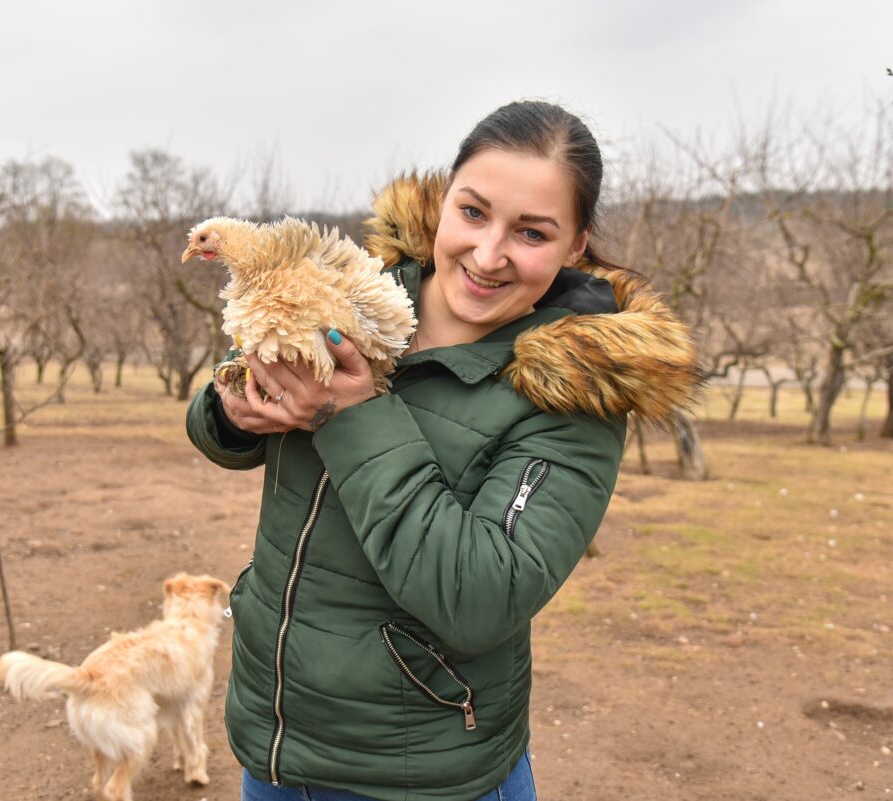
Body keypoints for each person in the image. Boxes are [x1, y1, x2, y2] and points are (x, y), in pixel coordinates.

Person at [186, 100, 699, 801]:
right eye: (474, 212)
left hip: (425, 772)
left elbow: (481, 595)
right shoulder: (355, 294)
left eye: (532, 232)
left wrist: (352, 414)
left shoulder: (575, 391)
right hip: (274, 743)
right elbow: (219, 418)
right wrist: (233, 406)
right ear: (445, 198)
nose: (489, 255)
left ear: (576, 245)